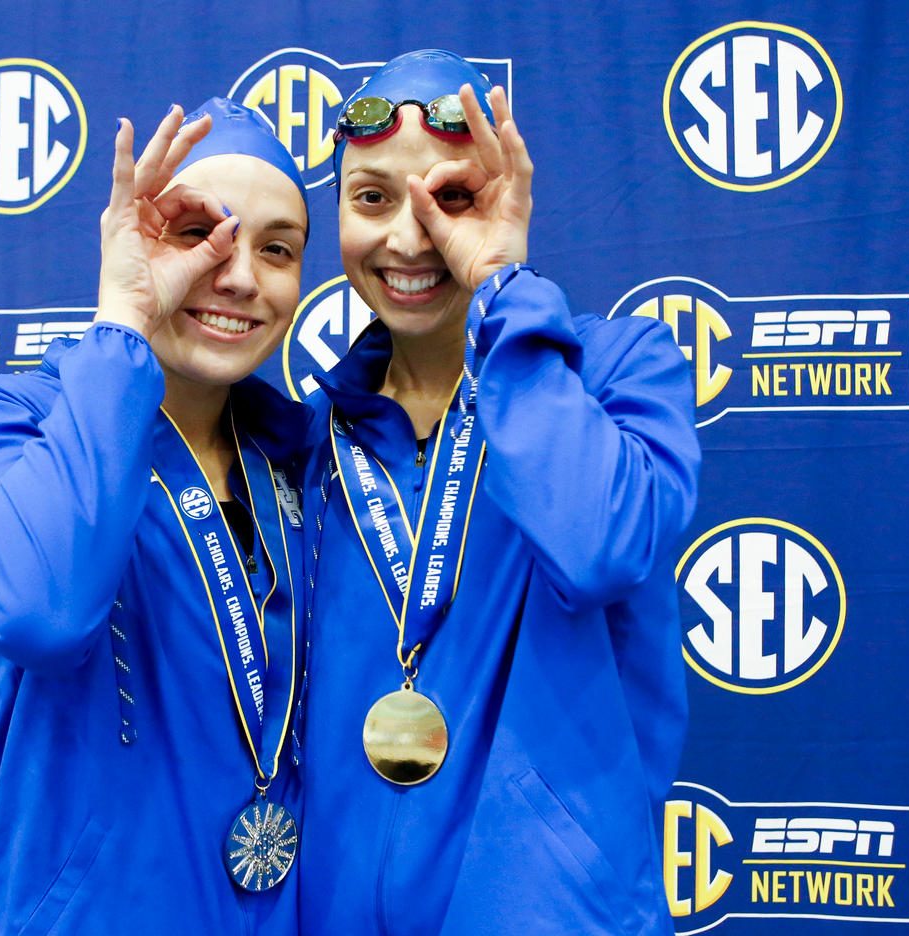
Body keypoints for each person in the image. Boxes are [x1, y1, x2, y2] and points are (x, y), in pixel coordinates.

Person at [296, 50, 701, 935]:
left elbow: (597, 550)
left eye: (451, 198)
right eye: (372, 198)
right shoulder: (310, 439)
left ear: (507, 197)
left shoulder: (615, 372)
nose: (411, 240)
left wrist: (503, 290)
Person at [0, 98, 310, 936]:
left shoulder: (301, 457)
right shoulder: (16, 419)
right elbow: (40, 617)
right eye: (199, 234)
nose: (240, 276)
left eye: (277, 249)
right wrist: (124, 323)